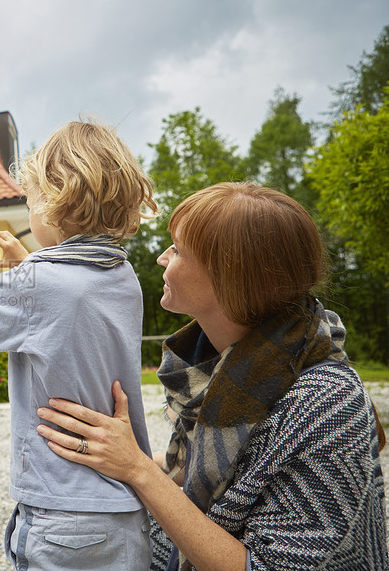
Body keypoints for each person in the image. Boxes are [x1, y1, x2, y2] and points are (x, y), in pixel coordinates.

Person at [36, 182, 388, 570]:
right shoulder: (214, 367)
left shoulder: (327, 403)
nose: (161, 258)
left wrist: (135, 468)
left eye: (178, 250)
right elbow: (201, 473)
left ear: (230, 276)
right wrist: (114, 452)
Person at [0, 119, 159, 570]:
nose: (29, 211)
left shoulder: (39, 284)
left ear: (54, 201)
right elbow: (68, 304)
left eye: (30, 199)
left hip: (63, 512)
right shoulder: (120, 276)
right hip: (124, 507)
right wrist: (27, 264)